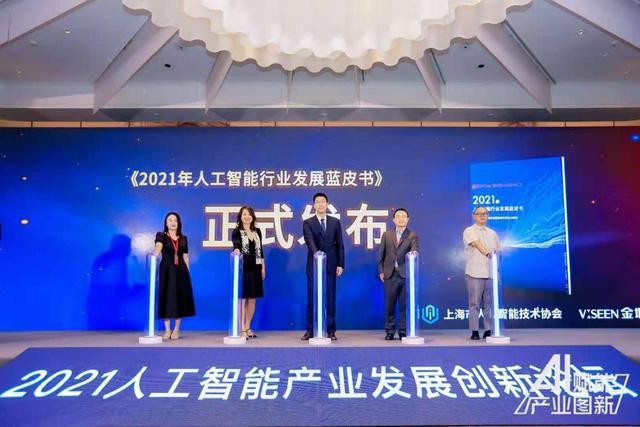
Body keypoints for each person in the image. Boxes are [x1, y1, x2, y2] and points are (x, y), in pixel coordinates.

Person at [301, 192, 345, 341]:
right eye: (318, 202)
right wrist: (317, 255)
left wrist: (340, 264)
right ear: (314, 205)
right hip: (314, 265)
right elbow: (309, 241)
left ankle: (331, 330)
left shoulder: (335, 222)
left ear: (327, 204)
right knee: (312, 297)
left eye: (323, 201)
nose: (320, 204)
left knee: (330, 298)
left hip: (331, 265)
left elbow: (340, 245)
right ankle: (310, 330)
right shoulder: (308, 222)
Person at [377, 208, 419, 340]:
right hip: (390, 274)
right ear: (394, 220)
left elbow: (415, 249)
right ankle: (389, 331)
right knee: (389, 305)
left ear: (408, 219)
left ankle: (403, 330)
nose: (401, 218)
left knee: (404, 305)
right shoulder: (387, 235)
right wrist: (381, 271)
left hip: (406, 275)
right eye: (398, 216)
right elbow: (381, 254)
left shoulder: (412, 235)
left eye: (403, 216)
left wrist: (414, 253)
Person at [154, 212, 196, 340]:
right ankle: (167, 329)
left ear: (179, 223)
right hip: (166, 271)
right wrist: (155, 254)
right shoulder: (161, 235)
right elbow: (158, 246)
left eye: (175, 220)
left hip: (181, 272)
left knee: (180, 299)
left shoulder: (183, 238)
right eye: (170, 220)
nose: (173, 223)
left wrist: (188, 273)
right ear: (166, 223)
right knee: (165, 298)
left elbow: (185, 256)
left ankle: (176, 329)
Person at [463, 206, 500, 340]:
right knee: (474, 304)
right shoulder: (469, 231)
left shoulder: (492, 233)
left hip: (490, 273)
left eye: (485, 213)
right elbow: (476, 244)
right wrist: (488, 253)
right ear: (474, 216)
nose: (482, 216)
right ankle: (474, 331)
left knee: (488, 304)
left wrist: (496, 271)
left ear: (488, 216)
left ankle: (488, 329)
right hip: (474, 273)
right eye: (479, 214)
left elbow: (498, 252)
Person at [231, 206, 265, 339]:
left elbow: (260, 251)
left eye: (249, 214)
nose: (247, 217)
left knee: (252, 299)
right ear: (240, 217)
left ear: (253, 217)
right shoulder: (236, 231)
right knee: (242, 299)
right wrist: (236, 251)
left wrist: (263, 267)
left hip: (256, 268)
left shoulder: (257, 231)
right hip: (243, 268)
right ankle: (242, 328)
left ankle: (248, 326)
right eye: (244, 214)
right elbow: (236, 246)